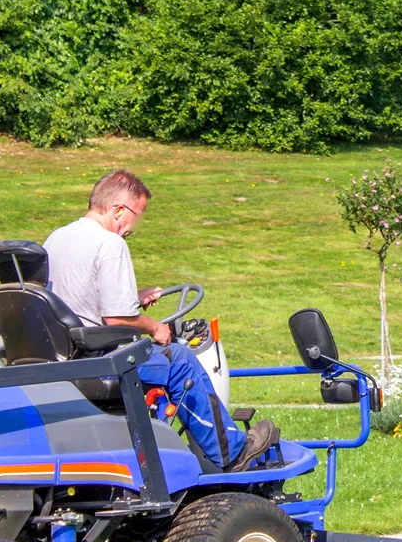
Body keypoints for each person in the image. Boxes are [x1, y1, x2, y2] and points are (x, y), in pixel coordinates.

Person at [44, 170, 279, 471]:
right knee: (178, 358)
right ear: (118, 210)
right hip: (99, 362)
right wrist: (155, 327)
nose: (134, 228)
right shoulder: (110, 244)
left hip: (65, 359)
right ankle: (231, 453)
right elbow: (115, 318)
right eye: (137, 216)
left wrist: (133, 297)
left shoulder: (57, 238)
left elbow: (75, 297)